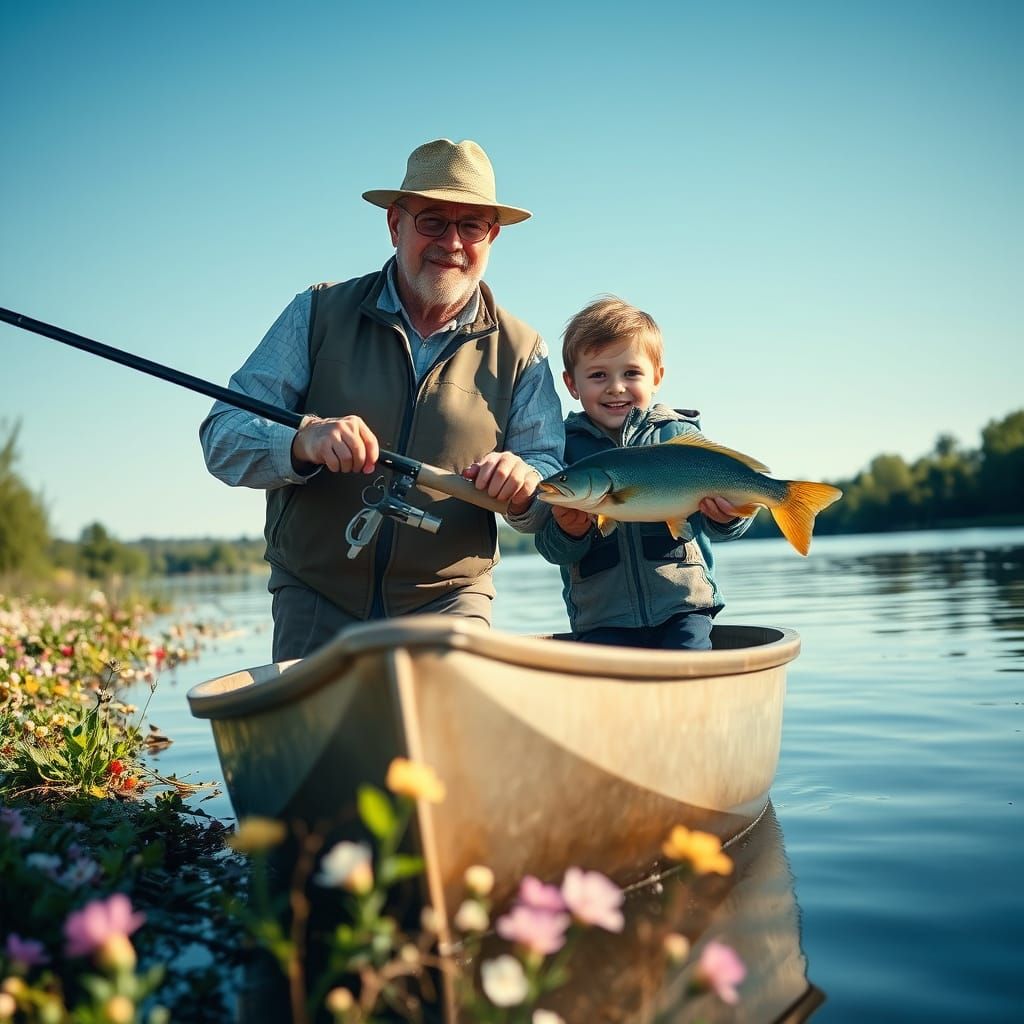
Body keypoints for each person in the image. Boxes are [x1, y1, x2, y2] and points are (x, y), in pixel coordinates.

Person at [201, 139, 563, 660]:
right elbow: (222, 438)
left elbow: (547, 476)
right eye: (433, 221)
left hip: (450, 600)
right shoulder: (316, 312)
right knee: (318, 744)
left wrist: (526, 484)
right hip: (314, 593)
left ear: (493, 236)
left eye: (471, 226)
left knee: (451, 733)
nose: (452, 243)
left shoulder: (525, 351)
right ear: (395, 225)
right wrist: (302, 439)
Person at [534, 297, 751, 650]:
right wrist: (567, 532)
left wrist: (728, 517)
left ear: (657, 377)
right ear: (572, 384)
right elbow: (551, 548)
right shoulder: (561, 450)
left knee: (688, 677)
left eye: (631, 373)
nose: (616, 387)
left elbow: (723, 528)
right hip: (601, 619)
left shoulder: (680, 437)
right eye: (598, 375)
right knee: (612, 694)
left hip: (684, 609)